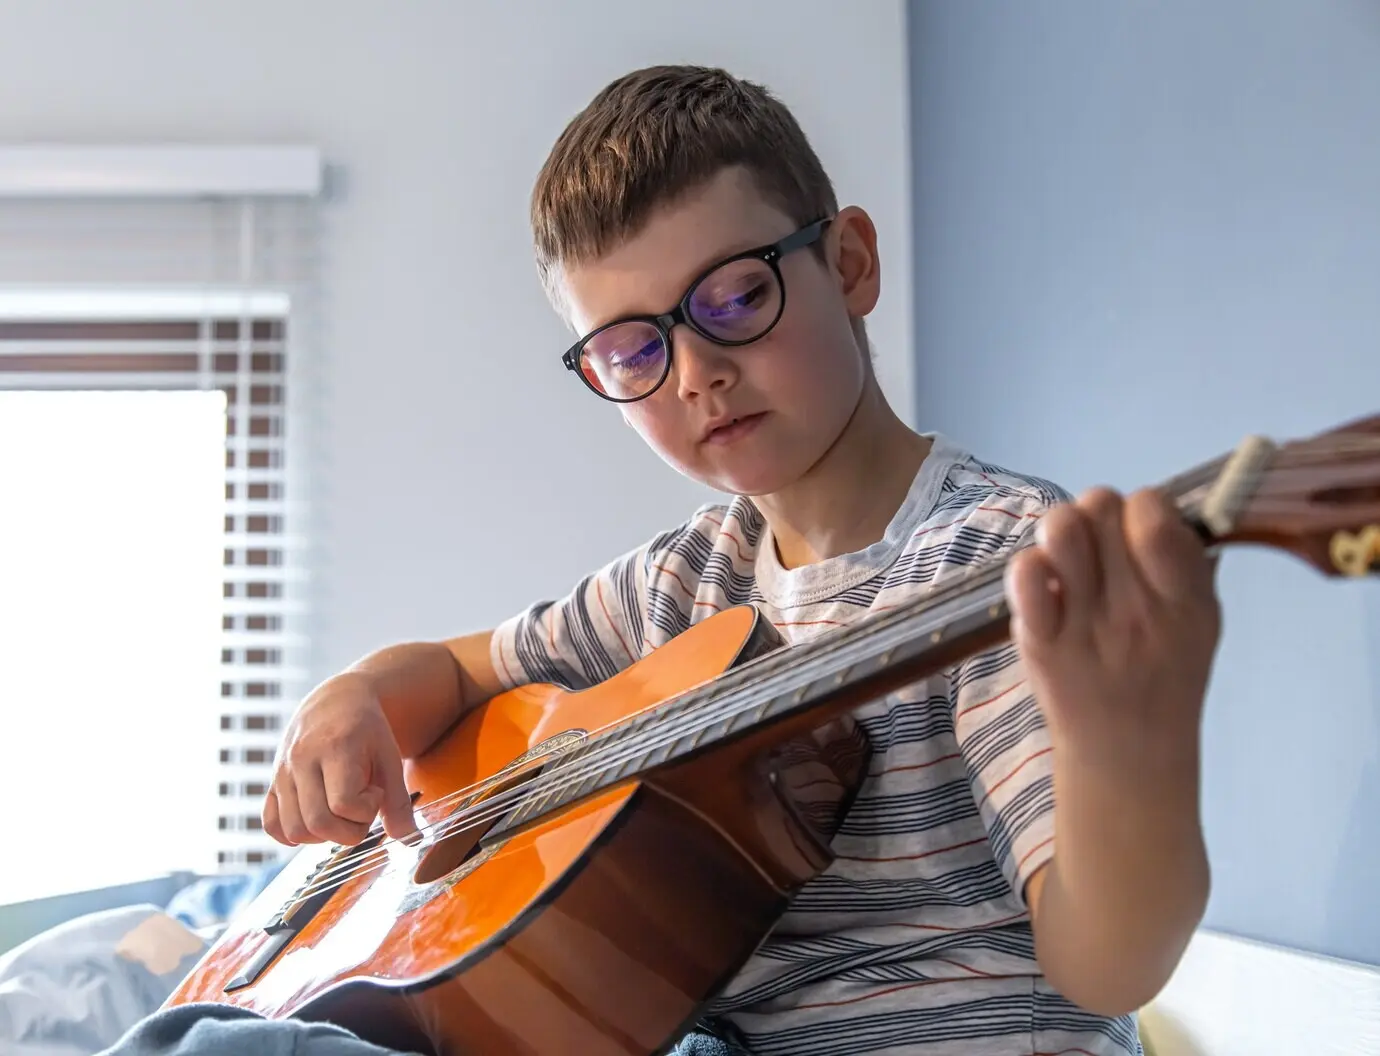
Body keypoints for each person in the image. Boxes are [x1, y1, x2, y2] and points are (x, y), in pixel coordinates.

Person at [258, 64, 1220, 1056]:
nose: (696, 374)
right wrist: (354, 695)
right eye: (633, 353)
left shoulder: (995, 555)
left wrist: (1128, 751)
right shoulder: (675, 586)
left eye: (733, 297)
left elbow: (1111, 966)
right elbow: (460, 671)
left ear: (848, 264)